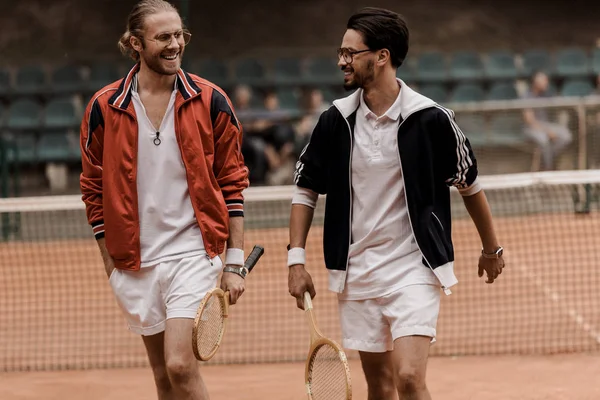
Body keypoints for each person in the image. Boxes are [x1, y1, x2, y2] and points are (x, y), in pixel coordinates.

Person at [286, 7, 505, 400]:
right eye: (341, 52)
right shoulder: (335, 121)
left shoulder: (431, 119)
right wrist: (295, 261)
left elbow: (468, 184)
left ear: (382, 56)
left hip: (414, 267)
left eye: (351, 52)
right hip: (358, 272)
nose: (341, 61)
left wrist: (492, 249)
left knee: (408, 378)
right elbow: (305, 190)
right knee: (380, 386)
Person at [79, 1, 249, 399]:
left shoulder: (211, 101)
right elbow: (93, 187)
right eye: (164, 37)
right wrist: (111, 264)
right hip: (134, 263)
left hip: (193, 252)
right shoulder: (104, 107)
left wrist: (235, 261)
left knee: (179, 365)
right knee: (162, 375)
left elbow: (233, 183)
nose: (175, 44)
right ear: (135, 43)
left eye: (180, 35)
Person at [522, 71, 573, 170]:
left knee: (566, 136)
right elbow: (529, 121)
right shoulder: (526, 96)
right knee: (544, 140)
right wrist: (547, 131)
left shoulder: (545, 94)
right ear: (535, 82)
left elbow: (558, 101)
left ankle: (546, 160)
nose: (546, 82)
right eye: (544, 80)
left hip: (544, 125)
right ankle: (548, 168)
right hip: (530, 128)